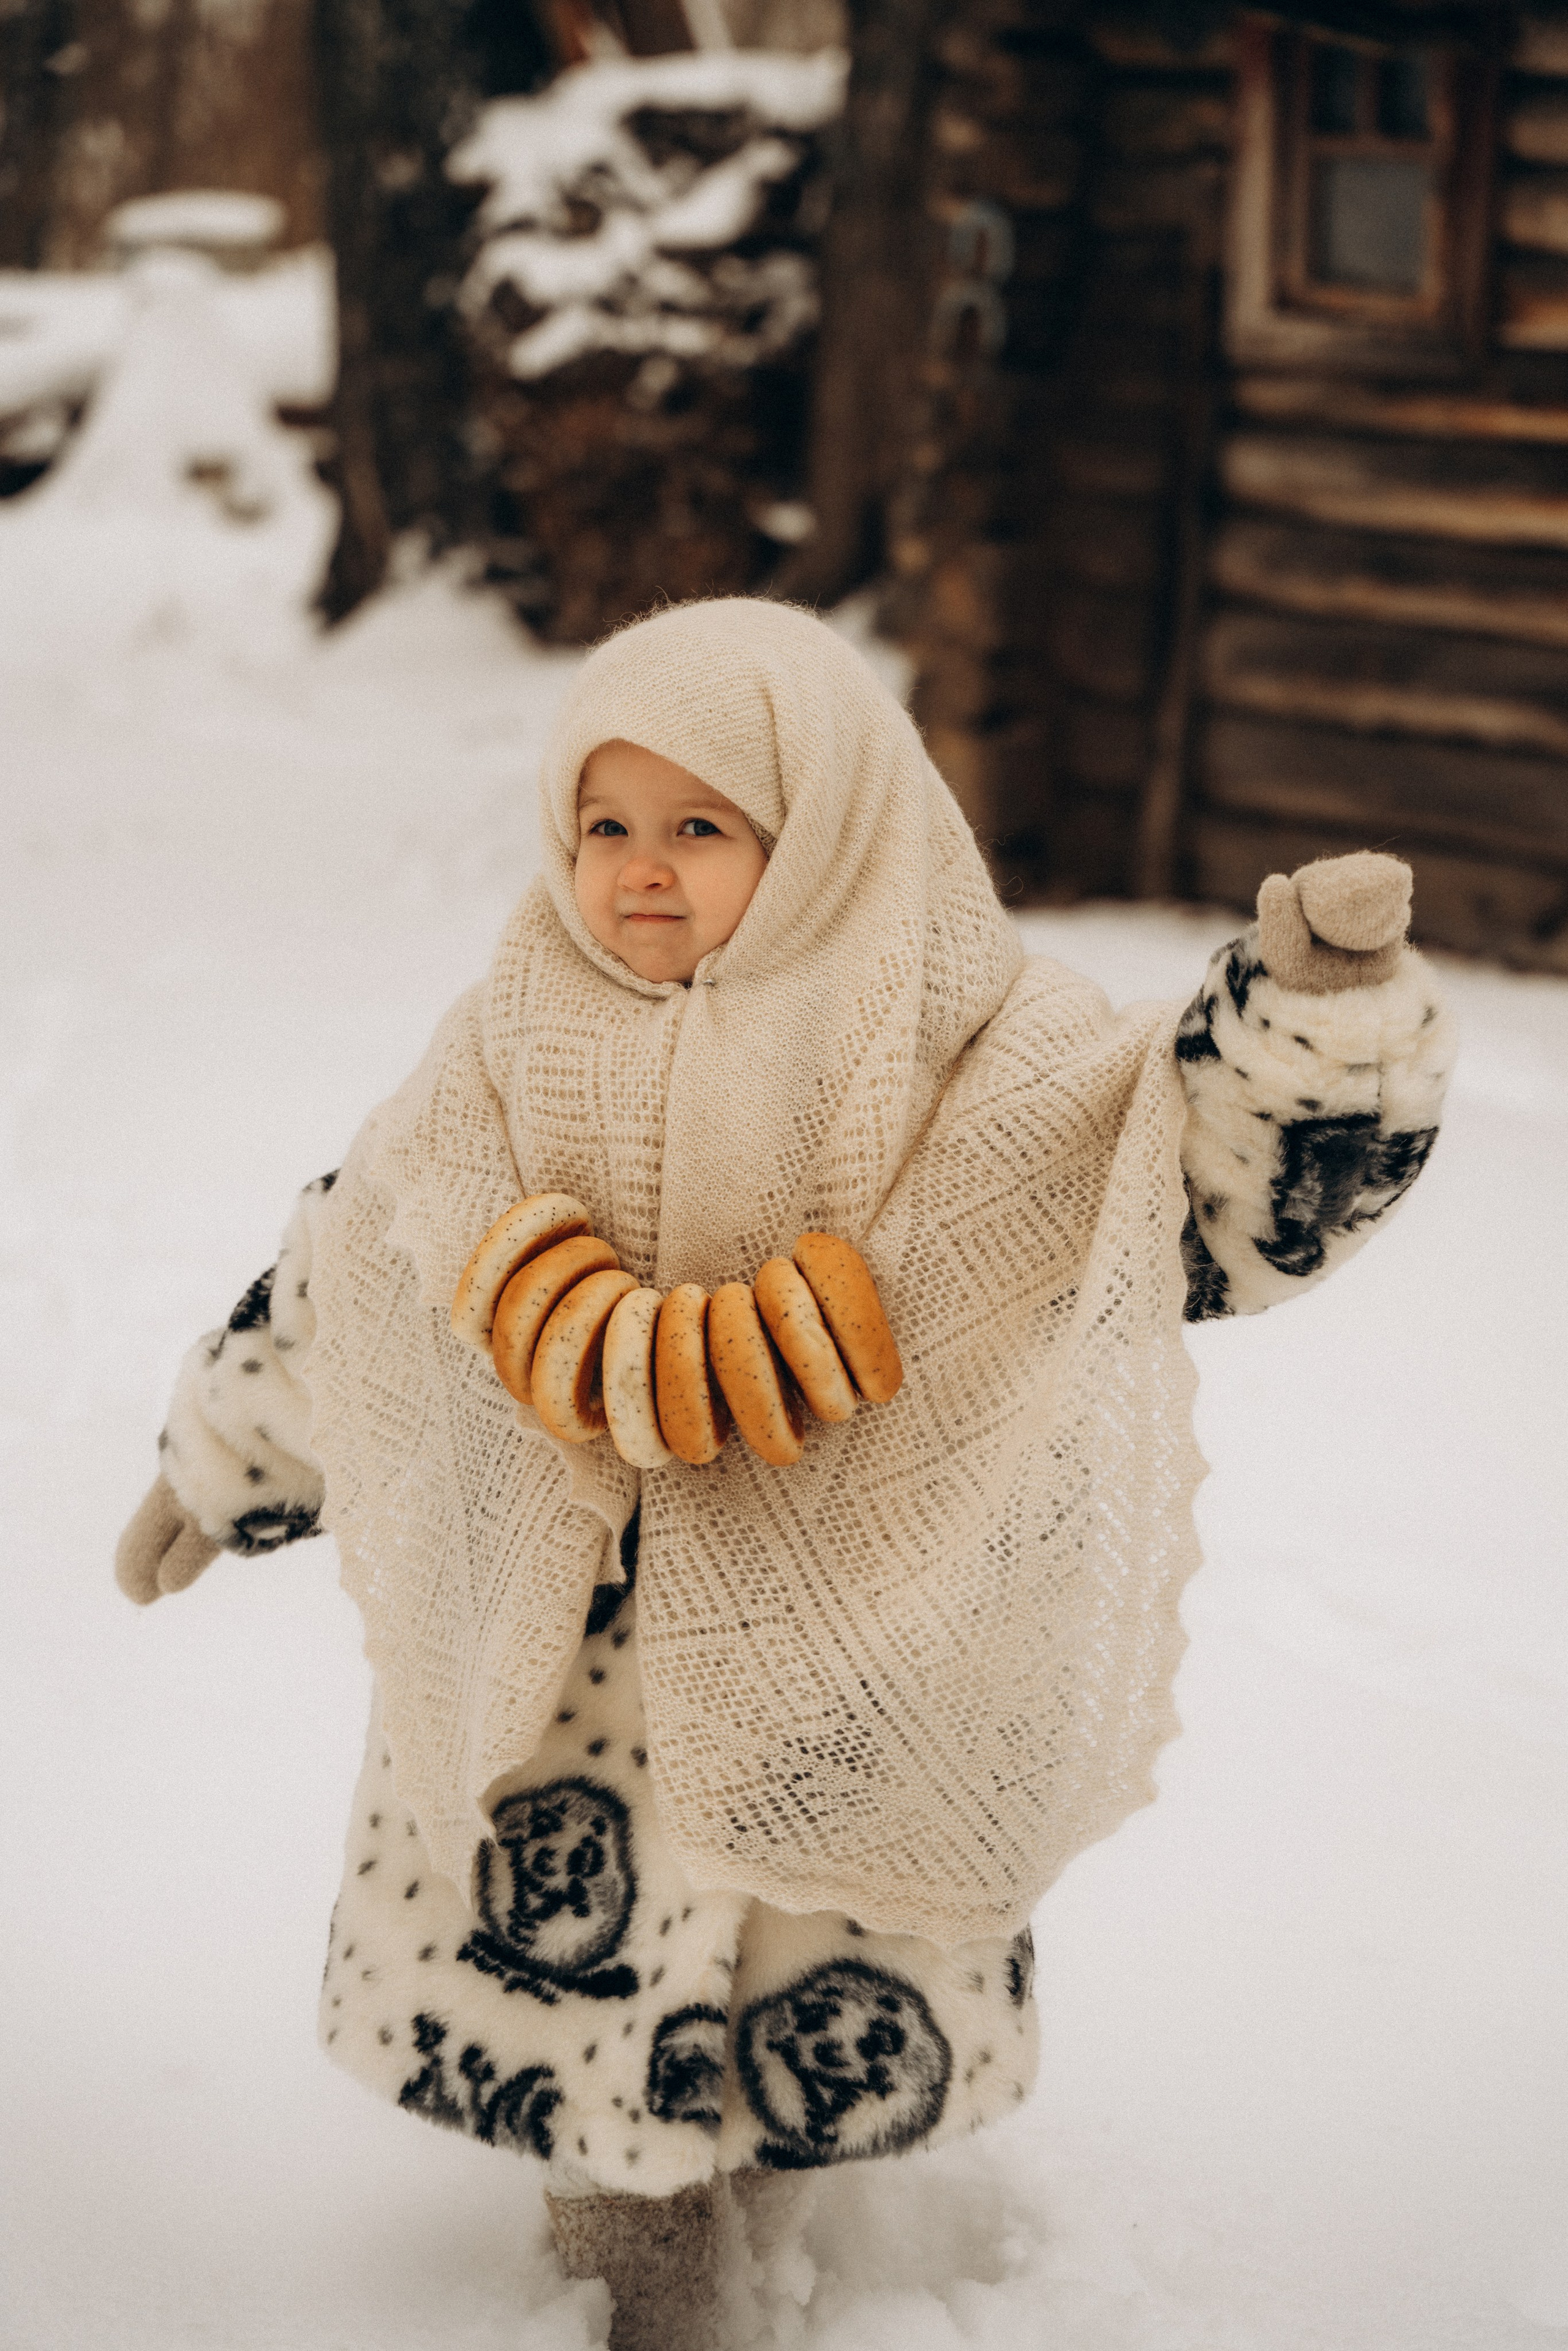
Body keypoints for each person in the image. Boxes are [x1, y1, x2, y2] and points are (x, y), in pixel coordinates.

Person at [115, 598, 1454, 2351]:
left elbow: (1189, 1184)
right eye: (606, 826)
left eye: (700, 829)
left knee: (806, 1973)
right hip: (572, 1664)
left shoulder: (976, 1047)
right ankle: (622, 2261)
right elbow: (359, 1266)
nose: (639, 876)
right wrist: (222, 1464)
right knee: (596, 2012)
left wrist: (1312, 1028)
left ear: (825, 835)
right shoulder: (507, 1042)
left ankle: (784, 2199)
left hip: (862, 1634)